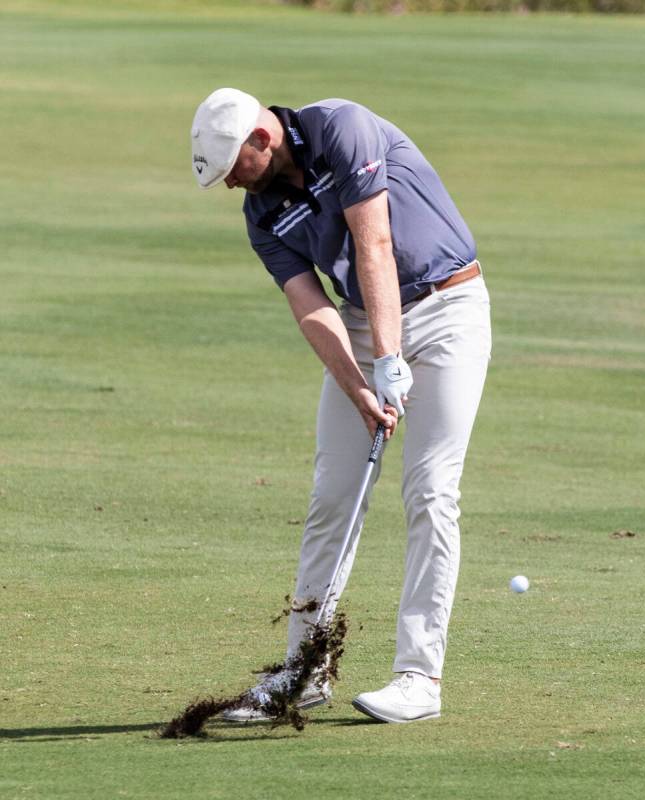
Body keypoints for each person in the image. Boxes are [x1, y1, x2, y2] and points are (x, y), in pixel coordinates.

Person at [190, 88, 492, 724]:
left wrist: (389, 359)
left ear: (261, 139)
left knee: (431, 491)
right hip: (360, 321)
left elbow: (373, 242)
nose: (230, 186)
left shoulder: (341, 128)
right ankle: (306, 672)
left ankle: (419, 678)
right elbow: (310, 303)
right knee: (334, 494)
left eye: (233, 169)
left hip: (447, 310)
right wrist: (358, 383)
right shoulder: (260, 211)